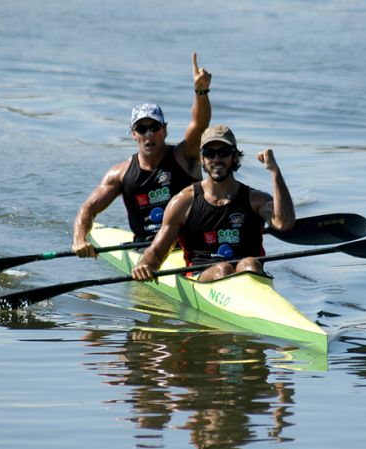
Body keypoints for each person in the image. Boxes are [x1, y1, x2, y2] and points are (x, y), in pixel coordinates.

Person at [72, 53, 212, 257]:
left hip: (189, 248)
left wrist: (201, 91)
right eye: (141, 128)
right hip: (145, 252)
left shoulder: (184, 155)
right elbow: (88, 209)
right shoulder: (120, 174)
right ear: (133, 134)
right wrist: (79, 239)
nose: (148, 134)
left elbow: (200, 125)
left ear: (164, 130)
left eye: (154, 127)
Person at [131, 125, 295, 283]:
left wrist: (274, 171)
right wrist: (143, 266)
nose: (217, 159)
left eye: (223, 153)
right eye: (210, 153)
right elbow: (157, 252)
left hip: (250, 276)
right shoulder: (183, 203)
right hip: (201, 276)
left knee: (250, 264)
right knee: (222, 269)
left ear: (235, 157)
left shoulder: (255, 200)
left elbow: (284, 223)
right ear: (202, 159)